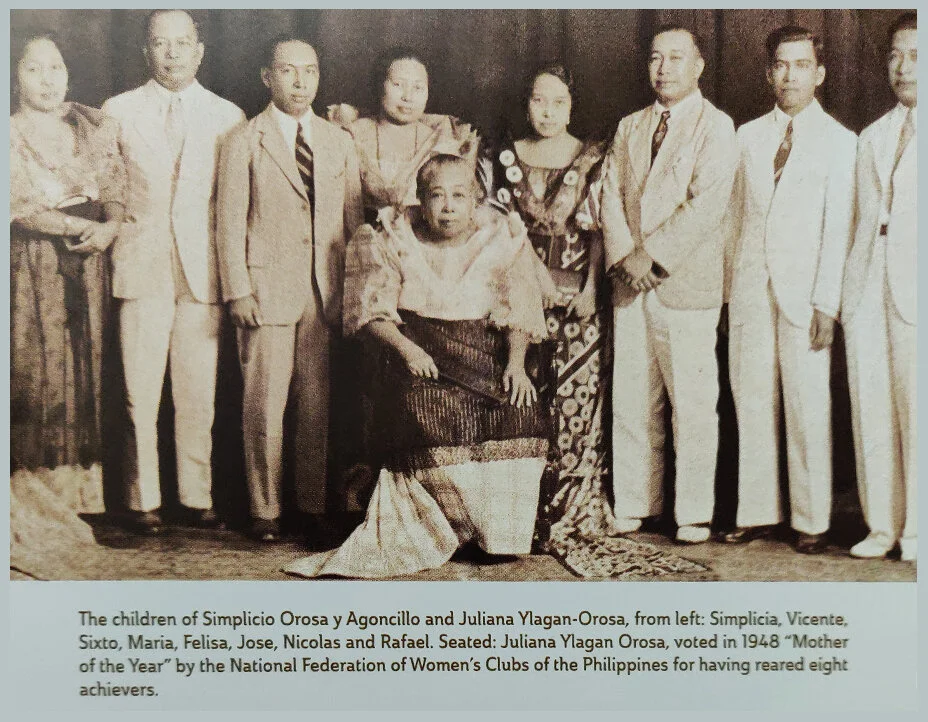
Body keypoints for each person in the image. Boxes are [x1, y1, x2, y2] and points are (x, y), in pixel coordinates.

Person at [284, 154, 548, 578]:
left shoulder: (501, 235)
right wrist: (407, 349)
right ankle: (446, 529)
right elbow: (372, 311)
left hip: (484, 352)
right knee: (426, 408)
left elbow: (518, 309)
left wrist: (516, 365)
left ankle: (497, 534)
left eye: (459, 196)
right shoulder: (390, 235)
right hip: (417, 350)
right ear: (420, 200)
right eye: (437, 196)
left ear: (476, 198)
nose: (448, 207)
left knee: (519, 409)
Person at [102, 10, 245, 533]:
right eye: (160, 43)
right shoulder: (116, 110)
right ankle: (142, 501)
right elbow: (108, 191)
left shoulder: (228, 115)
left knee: (198, 388)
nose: (172, 53)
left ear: (200, 50)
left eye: (182, 43)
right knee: (140, 389)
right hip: (141, 261)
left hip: (201, 266)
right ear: (146, 51)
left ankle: (196, 495)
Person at [216, 35, 363, 542]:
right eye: (288, 71)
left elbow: (354, 226)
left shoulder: (338, 140)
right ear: (267, 77)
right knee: (264, 404)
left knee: (316, 405)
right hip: (265, 290)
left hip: (325, 293)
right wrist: (237, 289)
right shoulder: (244, 141)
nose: (301, 82)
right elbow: (229, 221)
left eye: (310, 72)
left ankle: (310, 504)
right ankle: (265, 509)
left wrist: (352, 293)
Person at [599, 26, 738, 544]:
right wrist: (623, 257)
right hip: (630, 284)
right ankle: (636, 502)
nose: (663, 68)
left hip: (684, 282)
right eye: (656, 58)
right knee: (633, 398)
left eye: (676, 58)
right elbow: (608, 192)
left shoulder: (717, 126)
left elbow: (705, 206)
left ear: (698, 66)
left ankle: (693, 513)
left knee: (694, 403)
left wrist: (649, 256)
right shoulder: (630, 125)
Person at [723, 27, 856, 554]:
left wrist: (828, 301)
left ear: (819, 74)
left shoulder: (841, 142)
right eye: (781, 65)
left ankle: (811, 518)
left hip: (807, 295)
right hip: (752, 286)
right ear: (768, 72)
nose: (789, 75)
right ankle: (757, 511)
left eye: (801, 65)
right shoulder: (746, 136)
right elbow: (733, 220)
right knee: (751, 397)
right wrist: (730, 293)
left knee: (806, 404)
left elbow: (839, 227)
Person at [492, 63, 612, 550]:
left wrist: (589, 289)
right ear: (526, 104)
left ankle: (573, 507)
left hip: (577, 298)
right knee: (521, 400)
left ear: (572, 105)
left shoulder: (592, 159)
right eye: (539, 100)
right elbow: (501, 229)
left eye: (558, 102)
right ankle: (522, 515)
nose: (548, 111)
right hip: (520, 297)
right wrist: (532, 280)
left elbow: (600, 231)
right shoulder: (503, 159)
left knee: (577, 403)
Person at [10, 31, 124, 493]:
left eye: (55, 67)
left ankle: (83, 496)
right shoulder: (10, 132)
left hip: (92, 260)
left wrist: (108, 227)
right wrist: (80, 228)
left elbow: (116, 192)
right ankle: (35, 492)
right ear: (14, 73)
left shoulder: (91, 125)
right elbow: (19, 208)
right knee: (38, 368)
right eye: (33, 68)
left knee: (87, 367)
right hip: (31, 265)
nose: (47, 79)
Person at [842, 12, 917, 562]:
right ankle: (882, 526)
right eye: (895, 55)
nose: (904, 67)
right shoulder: (872, 135)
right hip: (870, 284)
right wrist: (849, 295)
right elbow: (860, 221)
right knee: (872, 404)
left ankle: (918, 530)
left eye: (917, 54)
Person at [330, 47, 478, 223]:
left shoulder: (443, 141)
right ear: (380, 85)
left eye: (418, 87)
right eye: (398, 85)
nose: (408, 97)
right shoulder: (352, 134)